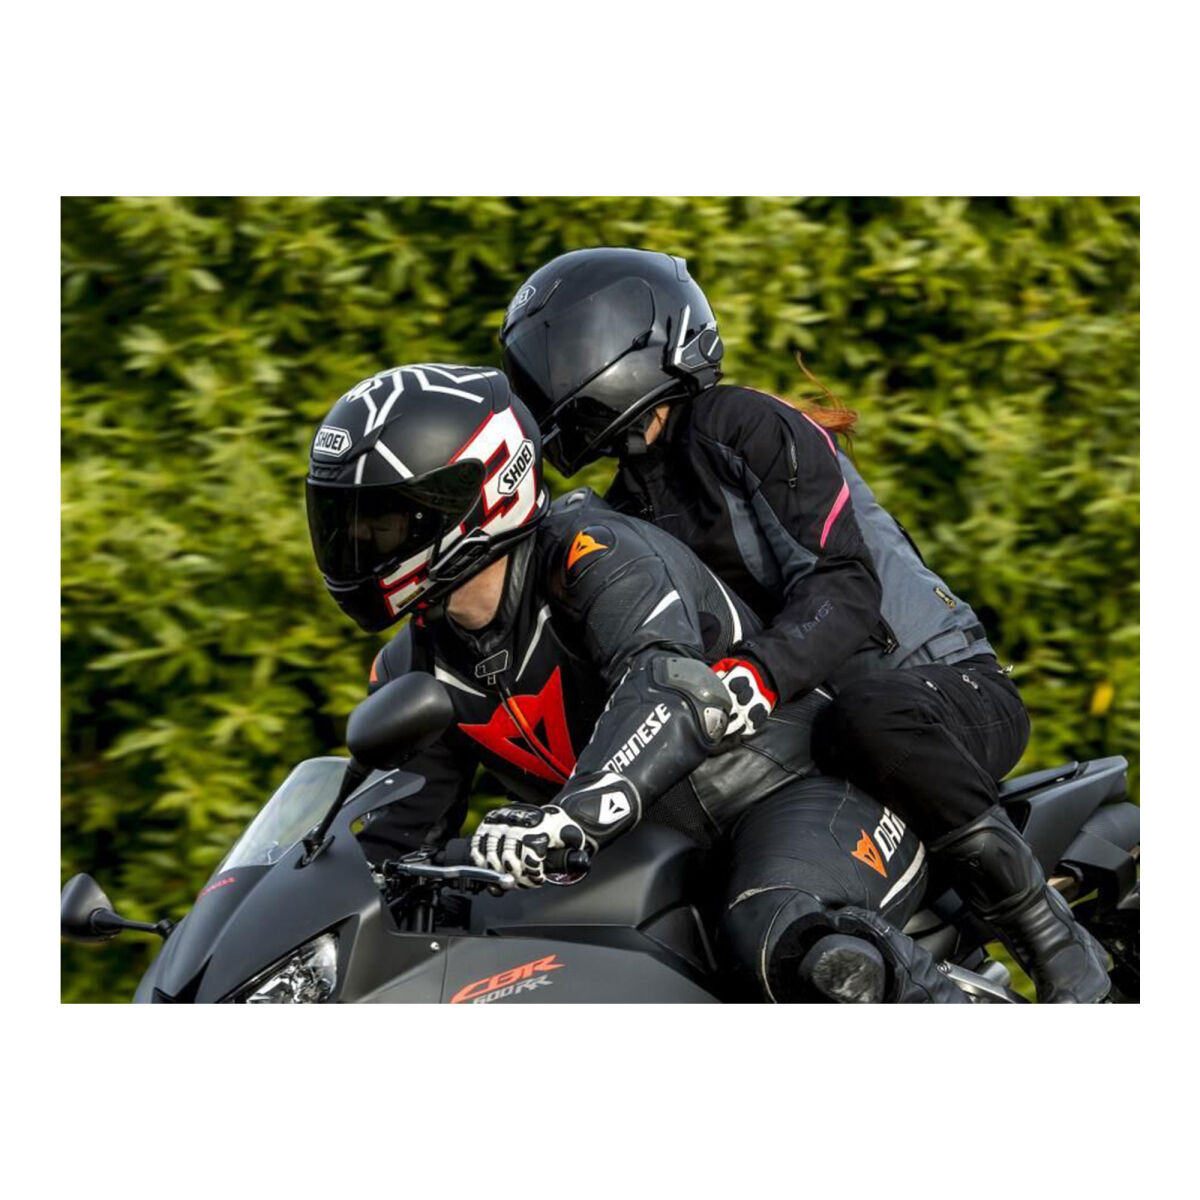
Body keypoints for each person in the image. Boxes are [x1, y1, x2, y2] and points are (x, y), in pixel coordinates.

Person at [498, 247, 1110, 1003]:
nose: (552, 381)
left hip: (936, 693)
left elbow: (845, 589)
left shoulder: (742, 425)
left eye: (564, 354)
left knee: (867, 716)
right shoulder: (621, 512)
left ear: (634, 336)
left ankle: (1058, 946)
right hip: (813, 751)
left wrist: (755, 674)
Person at [305, 361, 966, 1002]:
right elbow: (397, 841)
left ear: (476, 493)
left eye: (381, 519)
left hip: (796, 802)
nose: (357, 542)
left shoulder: (595, 553)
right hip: (647, 869)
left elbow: (668, 688)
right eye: (343, 521)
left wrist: (571, 817)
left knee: (783, 943)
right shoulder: (414, 665)